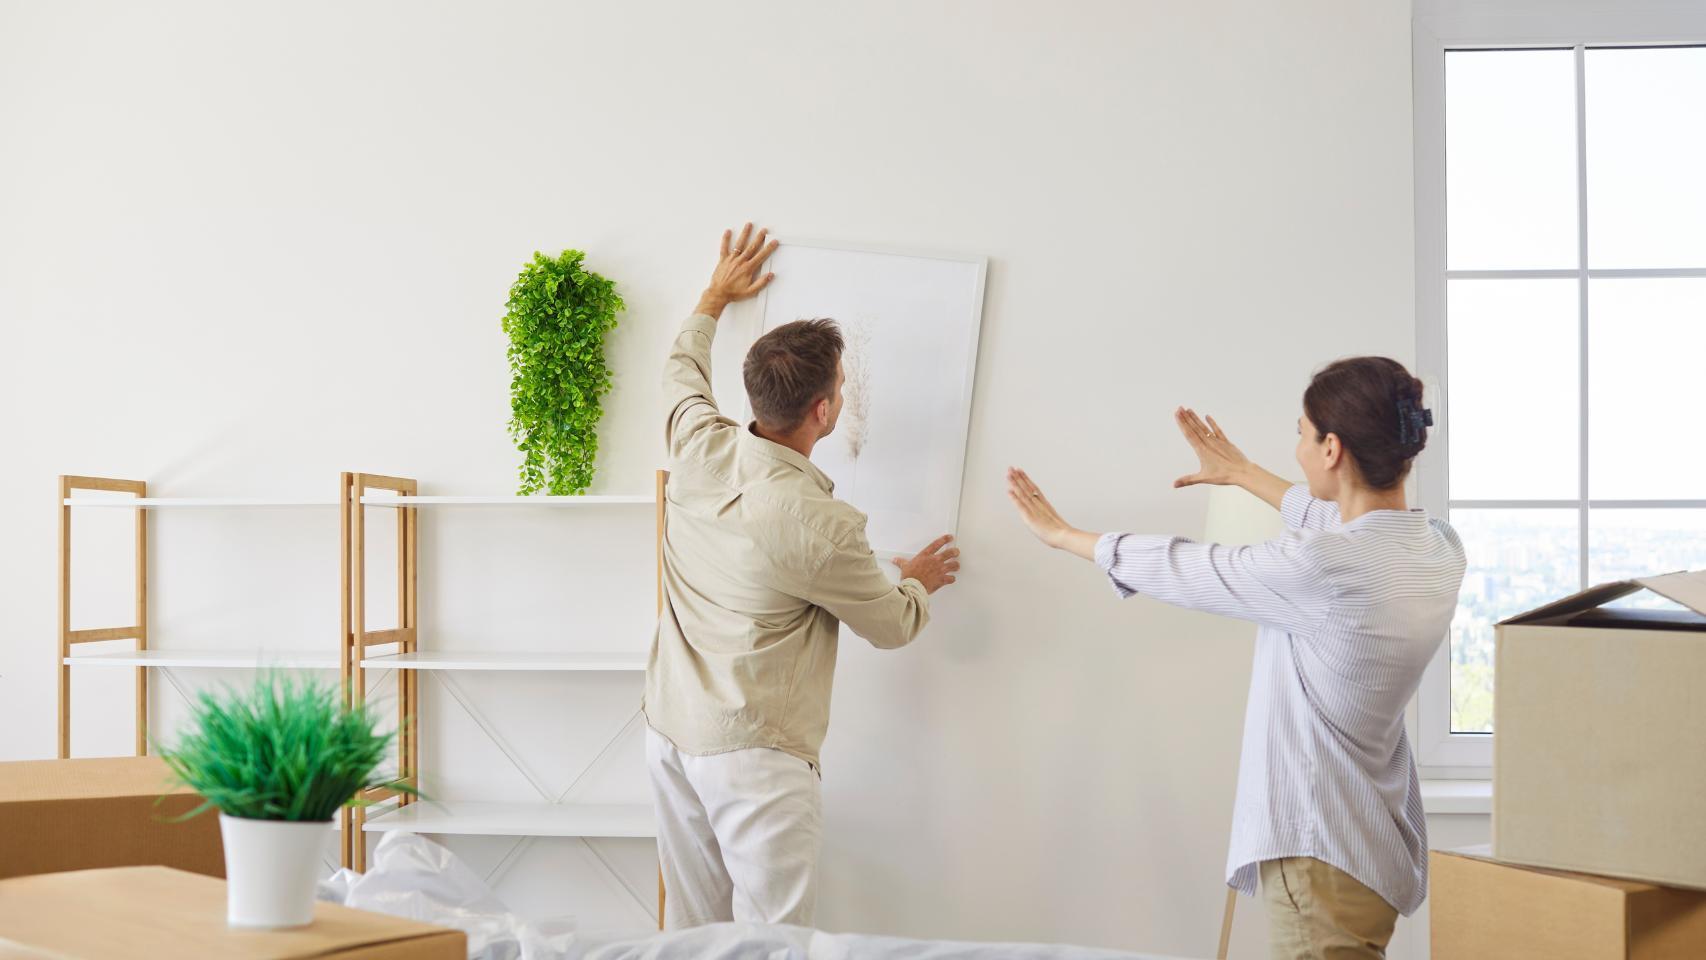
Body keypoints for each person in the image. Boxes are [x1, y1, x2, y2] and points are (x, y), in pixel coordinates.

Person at [1006, 357, 1465, 960]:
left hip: (1318, 849)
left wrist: (1067, 537)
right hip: (1371, 848)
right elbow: (1346, 522)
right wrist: (1245, 474)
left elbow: (1196, 566)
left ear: (1332, 448)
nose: (1297, 449)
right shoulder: (1438, 549)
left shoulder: (1323, 569)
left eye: (1302, 435)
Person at [644, 223, 962, 929]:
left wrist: (714, 295)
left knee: (691, 938)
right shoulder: (823, 525)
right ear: (822, 410)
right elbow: (893, 624)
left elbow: (680, 369)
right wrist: (915, 580)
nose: (843, 395)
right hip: (754, 757)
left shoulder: (695, 442)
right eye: (840, 387)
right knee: (773, 945)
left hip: (669, 730)